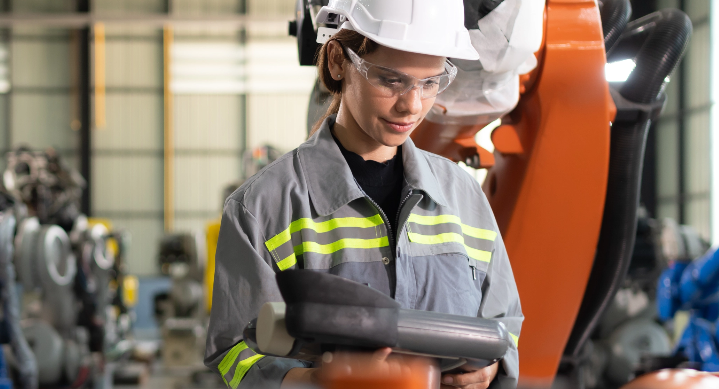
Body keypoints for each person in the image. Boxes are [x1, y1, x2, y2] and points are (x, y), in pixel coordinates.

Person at [203, 0, 523, 388]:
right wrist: (313, 382)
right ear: (338, 60)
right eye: (391, 80)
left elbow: (504, 324)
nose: (412, 105)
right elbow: (234, 350)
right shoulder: (262, 207)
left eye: (430, 82)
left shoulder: (464, 197)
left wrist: (490, 368)